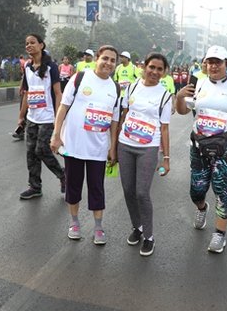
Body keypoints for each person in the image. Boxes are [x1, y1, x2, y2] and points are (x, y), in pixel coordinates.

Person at [175, 45, 227, 253]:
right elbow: (183, 111)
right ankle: (202, 208)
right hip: (199, 146)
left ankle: (219, 234)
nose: (213, 66)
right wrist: (179, 97)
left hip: (225, 148)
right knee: (197, 190)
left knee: (221, 189)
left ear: (226, 65)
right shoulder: (198, 83)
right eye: (210, 62)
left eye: (217, 62)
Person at [50, 45, 120, 244]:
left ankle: (98, 227)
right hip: (74, 145)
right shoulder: (80, 78)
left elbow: (114, 122)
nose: (108, 63)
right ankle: (74, 223)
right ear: (97, 58)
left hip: (98, 148)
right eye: (105, 58)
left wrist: (112, 147)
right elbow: (63, 108)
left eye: (112, 60)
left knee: (97, 188)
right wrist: (56, 135)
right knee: (73, 186)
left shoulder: (115, 88)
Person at [118, 53, 172, 257]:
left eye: (160, 69)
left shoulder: (165, 95)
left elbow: (165, 128)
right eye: (152, 67)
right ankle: (137, 227)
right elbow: (123, 115)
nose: (155, 72)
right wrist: (113, 146)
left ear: (164, 72)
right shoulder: (131, 87)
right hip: (125, 144)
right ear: (144, 67)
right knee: (127, 190)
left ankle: (149, 236)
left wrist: (166, 158)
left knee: (142, 192)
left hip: (149, 148)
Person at [18, 33, 66, 199]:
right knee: (31, 153)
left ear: (41, 45)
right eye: (26, 43)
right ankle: (35, 186)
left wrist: (58, 117)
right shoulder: (27, 67)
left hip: (47, 117)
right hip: (32, 117)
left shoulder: (51, 67)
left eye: (32, 43)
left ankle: (62, 175)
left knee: (42, 149)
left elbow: (58, 93)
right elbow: (27, 92)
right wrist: (21, 116)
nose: (29, 46)